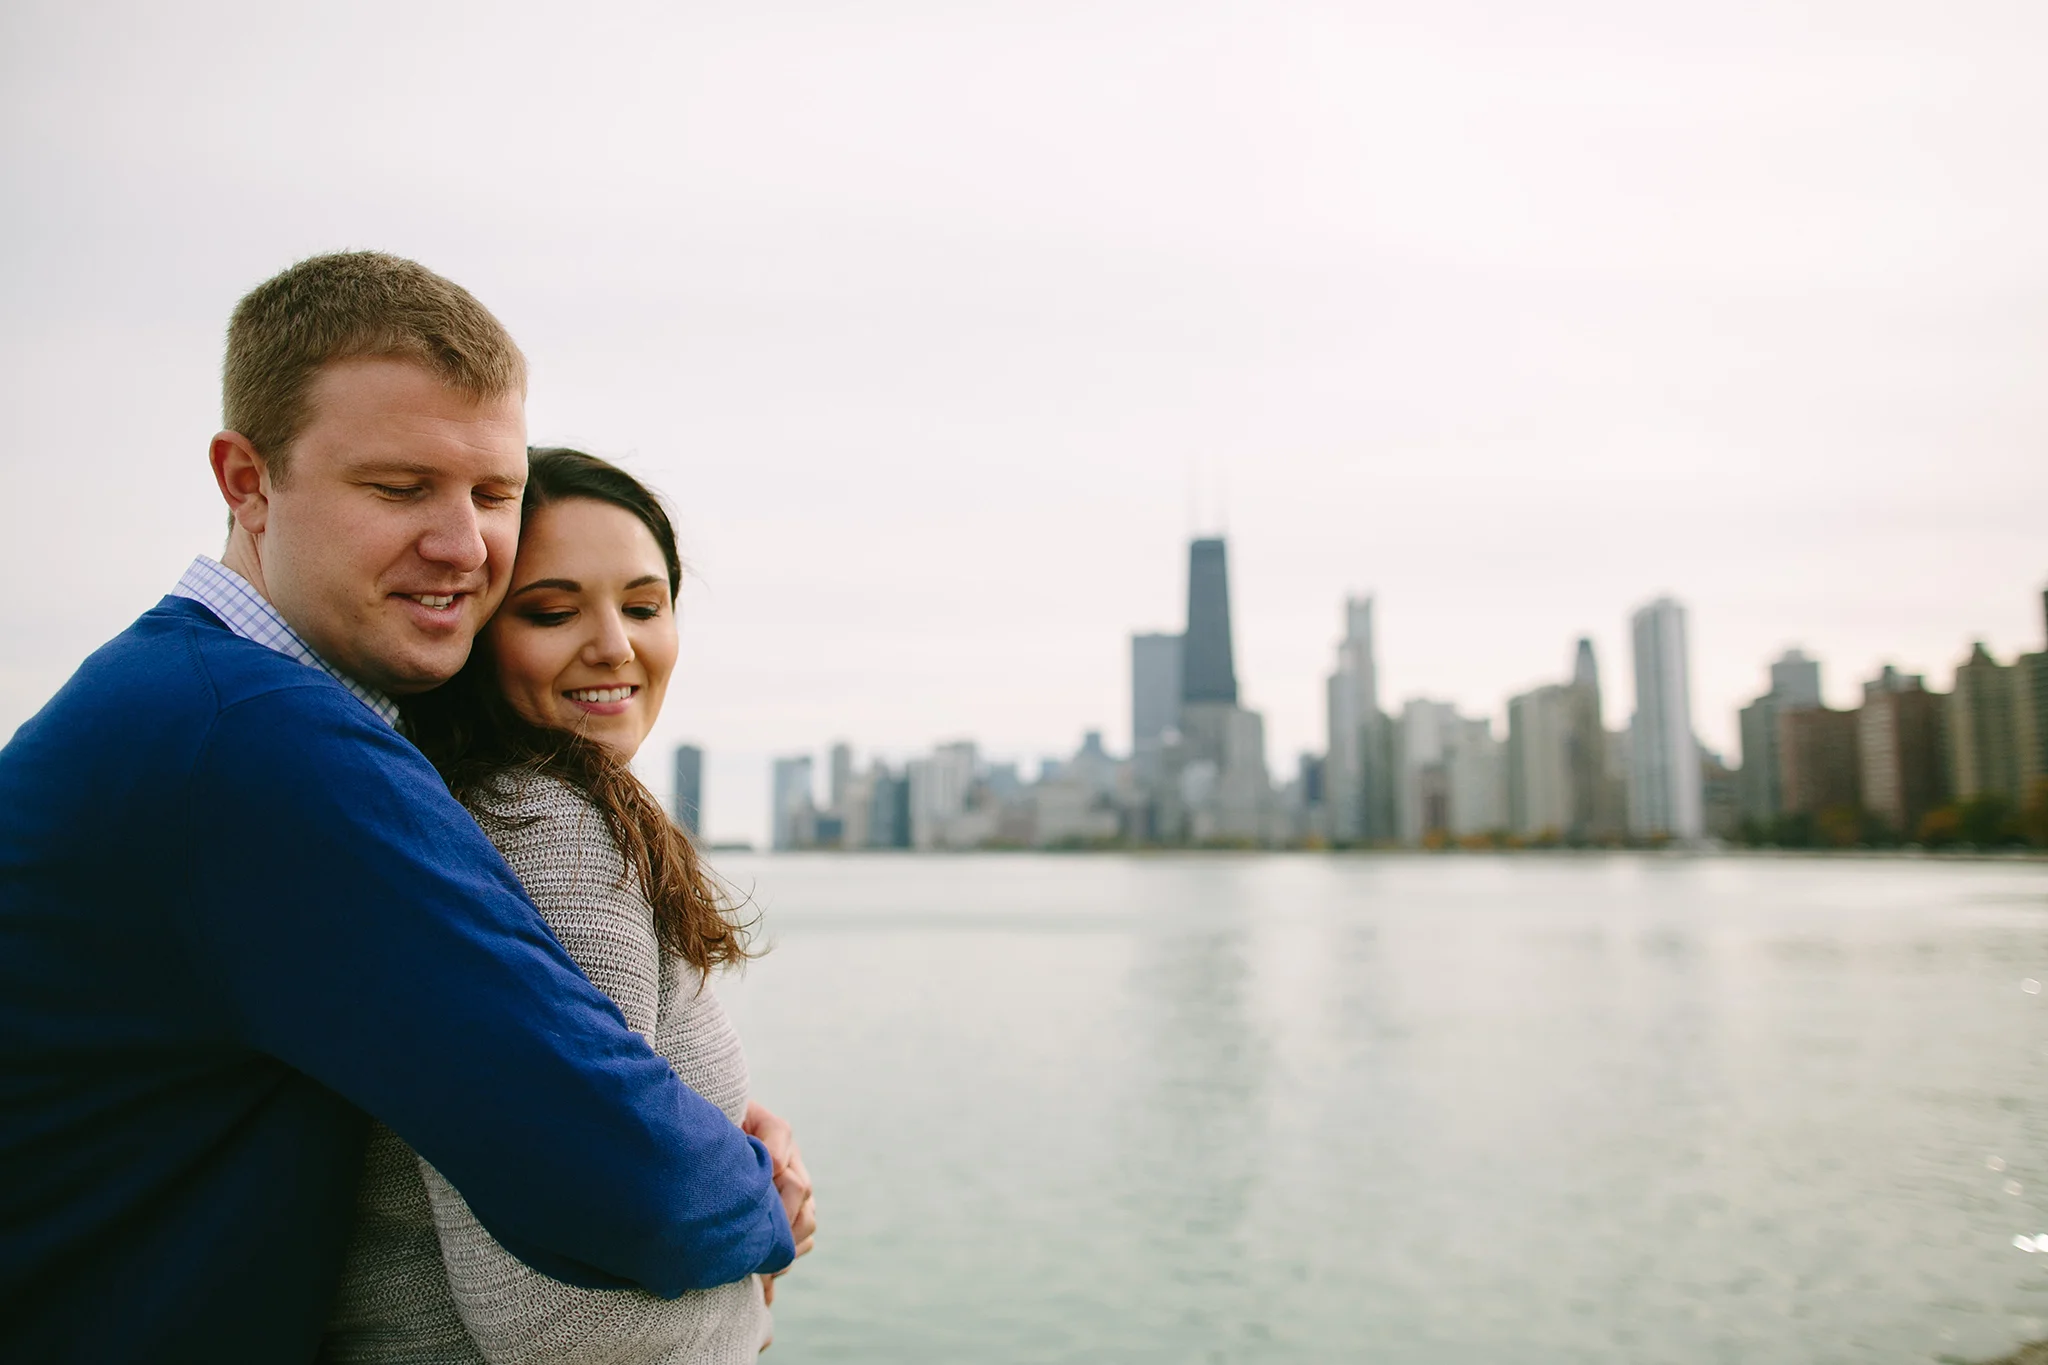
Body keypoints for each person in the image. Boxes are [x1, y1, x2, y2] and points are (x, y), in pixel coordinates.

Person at [0, 253, 811, 1361]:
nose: (461, 544)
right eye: (397, 489)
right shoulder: (255, 743)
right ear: (247, 480)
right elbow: (614, 1172)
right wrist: (763, 1194)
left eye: (492, 493)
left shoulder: (177, 696)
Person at [325, 448, 811, 1362]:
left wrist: (730, 1148)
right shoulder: (543, 826)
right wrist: (751, 1280)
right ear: (474, 632)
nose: (615, 647)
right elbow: (568, 1322)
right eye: (551, 611)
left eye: (642, 605)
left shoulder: (479, 810)